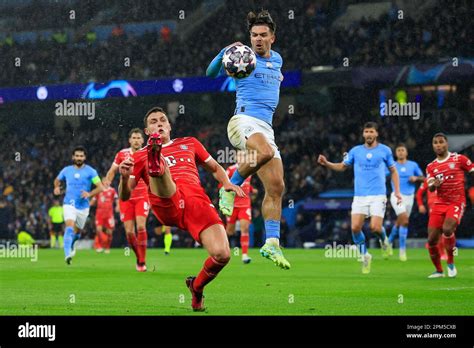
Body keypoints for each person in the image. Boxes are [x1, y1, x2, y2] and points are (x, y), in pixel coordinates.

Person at [118, 107, 245, 311]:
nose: (159, 123)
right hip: (166, 201)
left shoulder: (190, 143)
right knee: (160, 170)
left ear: (169, 125)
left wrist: (227, 183)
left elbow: (214, 167)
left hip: (196, 201)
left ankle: (196, 287)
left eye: (162, 120)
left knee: (222, 255)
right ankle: (157, 161)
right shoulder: (138, 157)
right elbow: (125, 195)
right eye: (153, 122)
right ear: (147, 131)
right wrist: (124, 178)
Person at [206, 10, 290, 269]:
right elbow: (210, 74)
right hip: (242, 122)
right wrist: (222, 54)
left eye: (263, 35)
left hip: (266, 128)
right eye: (254, 35)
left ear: (272, 37)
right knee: (263, 152)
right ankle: (229, 187)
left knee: (277, 187)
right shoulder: (241, 57)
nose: (258, 39)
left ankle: (271, 243)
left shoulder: (277, 60)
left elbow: (276, 76)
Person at [318, 122, 401, 274]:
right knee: (355, 227)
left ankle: (384, 239)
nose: (369, 134)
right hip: (360, 195)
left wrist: (397, 192)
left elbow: (394, 171)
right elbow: (342, 167)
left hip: (378, 194)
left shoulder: (385, 150)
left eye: (371, 131)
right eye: (366, 131)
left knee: (375, 227)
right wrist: (327, 163)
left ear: (376, 134)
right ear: (363, 134)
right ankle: (365, 256)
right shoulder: (355, 151)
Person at [104, 128, 154, 271]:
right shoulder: (122, 154)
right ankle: (139, 256)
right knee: (129, 232)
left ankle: (142, 261)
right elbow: (112, 171)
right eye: (134, 138)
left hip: (142, 195)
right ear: (130, 140)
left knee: (140, 227)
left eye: (139, 138)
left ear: (143, 140)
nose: (137, 140)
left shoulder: (148, 154)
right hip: (126, 196)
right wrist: (107, 180)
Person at [425, 133, 474, 278]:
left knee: (447, 229)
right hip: (439, 204)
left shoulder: (459, 159)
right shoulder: (431, 166)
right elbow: (431, 188)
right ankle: (439, 271)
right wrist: (435, 184)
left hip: (456, 202)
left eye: (441, 142)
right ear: (433, 146)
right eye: (435, 142)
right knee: (431, 240)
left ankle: (451, 263)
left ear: (447, 144)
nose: (438, 145)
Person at [54, 146, 104, 264]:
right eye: (77, 156)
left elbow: (101, 187)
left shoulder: (91, 172)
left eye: (81, 156)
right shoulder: (66, 170)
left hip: (83, 207)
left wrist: (89, 193)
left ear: (85, 157)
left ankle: (72, 244)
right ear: (73, 157)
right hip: (69, 204)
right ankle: (67, 255)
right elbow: (57, 180)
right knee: (69, 227)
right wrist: (56, 187)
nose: (79, 158)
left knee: (77, 232)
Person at [386, 144, 424, 261]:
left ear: (406, 153)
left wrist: (416, 178)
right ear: (396, 153)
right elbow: (381, 176)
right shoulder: (392, 166)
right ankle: (402, 252)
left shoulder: (413, 165)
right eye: (399, 150)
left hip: (409, 197)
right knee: (405, 221)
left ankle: (388, 242)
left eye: (403, 150)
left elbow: (424, 178)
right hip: (397, 195)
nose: (401, 152)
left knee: (400, 222)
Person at [221, 151, 258, 264]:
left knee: (245, 228)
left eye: (244, 156)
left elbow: (244, 184)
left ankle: (245, 255)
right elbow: (223, 184)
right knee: (230, 231)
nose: (242, 158)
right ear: (236, 157)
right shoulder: (231, 170)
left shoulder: (249, 170)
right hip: (232, 205)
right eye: (240, 156)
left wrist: (251, 190)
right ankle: (223, 252)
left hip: (245, 204)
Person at [416, 178, 447, 260]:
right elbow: (419, 194)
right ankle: (442, 253)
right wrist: (420, 205)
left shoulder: (447, 177)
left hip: (446, 204)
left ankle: (442, 250)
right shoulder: (428, 180)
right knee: (439, 229)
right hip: (433, 205)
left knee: (447, 229)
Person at [91, 182, 119, 254]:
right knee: (98, 230)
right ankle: (99, 246)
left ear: (109, 182)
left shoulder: (112, 190)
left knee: (109, 232)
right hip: (99, 214)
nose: (106, 183)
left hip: (109, 214)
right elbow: (93, 201)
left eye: (107, 181)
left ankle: (107, 247)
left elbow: (117, 199)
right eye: (104, 181)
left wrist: (117, 206)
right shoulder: (98, 190)